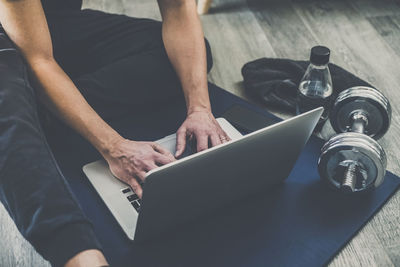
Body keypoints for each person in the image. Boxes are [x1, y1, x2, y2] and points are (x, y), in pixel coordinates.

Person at [0, 0, 230, 266]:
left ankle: (36, 111)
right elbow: (38, 60)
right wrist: (114, 146)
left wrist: (200, 109)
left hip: (47, 23)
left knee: (182, 54)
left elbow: (178, 9)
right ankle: (83, 258)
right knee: (7, 108)